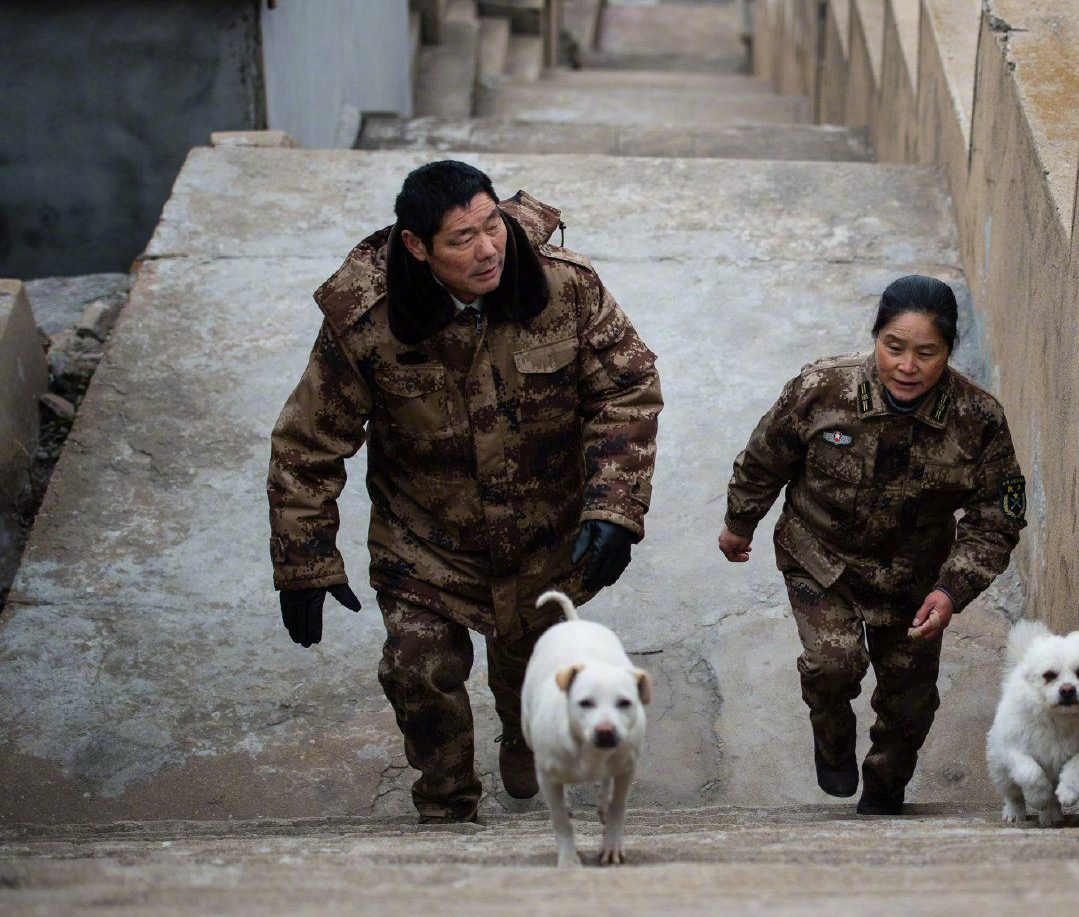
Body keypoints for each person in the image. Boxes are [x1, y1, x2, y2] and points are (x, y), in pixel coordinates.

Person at [268, 160, 662, 824]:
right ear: (418, 246)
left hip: (543, 535)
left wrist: (616, 506)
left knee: (527, 676)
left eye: (493, 226)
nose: (487, 250)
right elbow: (308, 442)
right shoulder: (367, 319)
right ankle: (445, 801)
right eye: (462, 238)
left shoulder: (566, 287)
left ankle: (520, 735)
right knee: (416, 671)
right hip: (425, 539)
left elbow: (625, 391)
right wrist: (303, 561)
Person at [718, 275, 1026, 814]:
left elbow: (995, 518)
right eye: (894, 347)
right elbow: (765, 456)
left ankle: (884, 796)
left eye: (926, 353)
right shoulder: (820, 388)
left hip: (915, 581)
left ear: (949, 352)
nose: (907, 366)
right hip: (821, 559)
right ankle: (832, 740)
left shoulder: (979, 420)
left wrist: (953, 590)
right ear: (876, 337)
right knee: (832, 666)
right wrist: (739, 522)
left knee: (909, 707)